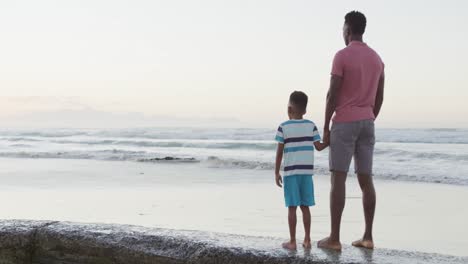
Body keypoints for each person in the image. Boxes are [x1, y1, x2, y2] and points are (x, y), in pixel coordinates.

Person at [318, 11, 385, 251]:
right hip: (368, 122)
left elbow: (332, 93)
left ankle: (334, 238)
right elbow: (380, 96)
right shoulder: (377, 59)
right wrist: (369, 116)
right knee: (366, 180)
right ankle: (367, 237)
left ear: (347, 29)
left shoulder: (342, 56)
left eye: (342, 28)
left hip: (345, 122)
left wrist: (326, 126)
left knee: (338, 179)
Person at [275, 91, 328, 250]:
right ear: (305, 110)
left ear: (289, 109)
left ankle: (292, 241)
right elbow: (319, 147)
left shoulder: (283, 127)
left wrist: (276, 172)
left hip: (291, 174)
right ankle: (307, 239)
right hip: (306, 174)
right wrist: (330, 138)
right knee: (305, 207)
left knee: (292, 207)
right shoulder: (311, 125)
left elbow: (279, 152)